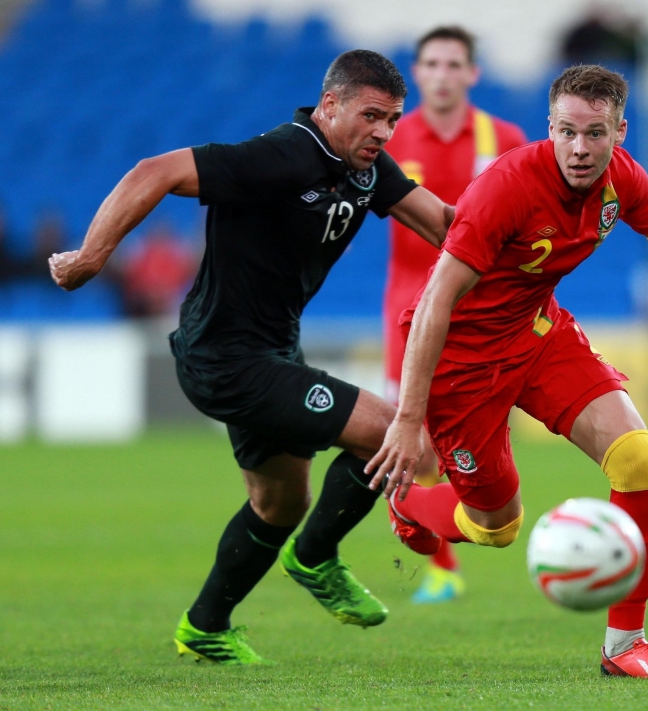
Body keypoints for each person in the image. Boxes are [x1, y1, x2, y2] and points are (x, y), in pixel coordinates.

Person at [50, 50, 453, 665]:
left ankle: (206, 626)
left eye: (393, 119)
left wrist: (529, 236)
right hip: (226, 357)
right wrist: (90, 257)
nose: (383, 131)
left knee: (280, 502)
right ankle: (315, 557)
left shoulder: (366, 166)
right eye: (371, 115)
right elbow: (152, 170)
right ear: (330, 106)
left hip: (270, 351)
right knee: (395, 436)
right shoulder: (281, 155)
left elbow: (444, 225)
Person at [367, 64, 648, 681]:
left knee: (638, 457)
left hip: (535, 334)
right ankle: (410, 505)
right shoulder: (505, 189)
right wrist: (407, 419)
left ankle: (625, 644)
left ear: (619, 132)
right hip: (462, 362)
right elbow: (433, 305)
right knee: (496, 527)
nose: (580, 149)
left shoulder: (622, 180)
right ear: (549, 128)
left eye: (595, 133)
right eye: (567, 132)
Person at [382, 26, 527, 604]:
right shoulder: (391, 137)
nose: (442, 74)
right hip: (409, 307)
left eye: (453, 64)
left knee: (483, 435)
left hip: (485, 309)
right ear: (416, 73)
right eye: (432, 64)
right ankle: (438, 566)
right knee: (414, 439)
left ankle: (467, 523)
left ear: (473, 74)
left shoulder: (504, 137)